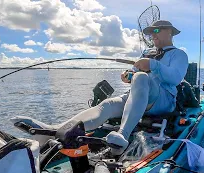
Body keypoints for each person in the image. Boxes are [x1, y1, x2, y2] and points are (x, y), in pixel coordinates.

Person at [49, 20, 188, 155]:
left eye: (156, 30)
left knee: (140, 77)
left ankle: (123, 135)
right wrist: (128, 75)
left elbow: (175, 78)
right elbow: (134, 72)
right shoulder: (147, 53)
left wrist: (152, 65)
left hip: (163, 100)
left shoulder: (179, 54)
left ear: (169, 32)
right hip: (139, 96)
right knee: (108, 104)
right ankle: (58, 129)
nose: (152, 34)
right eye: (150, 32)